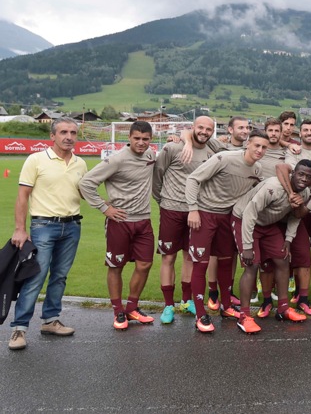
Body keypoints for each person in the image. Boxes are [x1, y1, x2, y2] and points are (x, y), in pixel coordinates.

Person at [8, 118, 87, 350]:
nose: (69, 137)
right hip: (43, 226)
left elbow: (84, 193)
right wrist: (20, 229)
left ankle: (50, 320)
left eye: (73, 133)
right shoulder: (36, 160)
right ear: (52, 136)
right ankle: (19, 329)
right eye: (63, 132)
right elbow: (22, 196)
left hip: (72, 226)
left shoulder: (80, 163)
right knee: (35, 277)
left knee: (60, 276)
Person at [185, 130, 269, 333]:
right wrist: (193, 209)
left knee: (225, 261)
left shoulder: (257, 169)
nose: (260, 150)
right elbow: (193, 179)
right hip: (205, 214)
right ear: (248, 144)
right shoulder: (224, 158)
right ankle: (200, 314)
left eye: (264, 147)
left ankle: (226, 306)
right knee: (201, 264)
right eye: (256, 145)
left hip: (227, 217)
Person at [79, 121, 157, 330]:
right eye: (137, 138)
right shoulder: (117, 159)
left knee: (145, 264)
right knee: (116, 266)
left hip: (144, 221)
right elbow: (86, 183)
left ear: (150, 140)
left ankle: (132, 308)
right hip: (120, 222)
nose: (141, 143)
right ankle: (118, 312)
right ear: (129, 138)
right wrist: (105, 208)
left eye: (145, 139)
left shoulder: (150, 155)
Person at [152, 116, 221, 324]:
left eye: (208, 129)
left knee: (190, 257)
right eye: (200, 127)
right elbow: (157, 175)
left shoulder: (213, 151)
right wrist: (164, 200)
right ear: (193, 127)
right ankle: (168, 305)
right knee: (168, 258)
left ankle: (186, 300)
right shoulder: (173, 148)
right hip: (171, 210)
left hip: (198, 211)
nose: (204, 132)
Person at [232, 162, 311, 333]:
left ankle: (283, 308)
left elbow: (295, 216)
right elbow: (250, 212)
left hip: (267, 224)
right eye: (301, 174)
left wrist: (289, 238)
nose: (304, 179)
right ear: (293, 173)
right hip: (244, 218)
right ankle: (244, 316)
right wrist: (247, 245)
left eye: (308, 177)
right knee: (252, 265)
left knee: (283, 259)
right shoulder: (273, 187)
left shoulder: (305, 192)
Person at [276, 153, 311, 308]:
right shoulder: (299, 173)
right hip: (295, 216)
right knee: (298, 250)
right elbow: (281, 167)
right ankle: (298, 289)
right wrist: (291, 193)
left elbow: (302, 212)